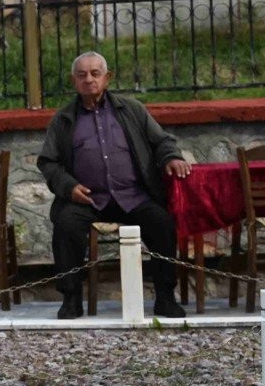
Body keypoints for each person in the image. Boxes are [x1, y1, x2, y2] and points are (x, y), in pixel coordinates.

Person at [35, 52, 193, 320]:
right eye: (82, 75)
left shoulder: (132, 110)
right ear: (74, 81)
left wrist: (172, 157)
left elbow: (162, 141)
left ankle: (165, 298)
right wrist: (69, 186)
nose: (89, 80)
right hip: (87, 199)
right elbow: (49, 163)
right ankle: (71, 299)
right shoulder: (63, 120)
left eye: (95, 74)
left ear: (107, 78)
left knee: (161, 223)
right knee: (66, 225)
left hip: (132, 196)